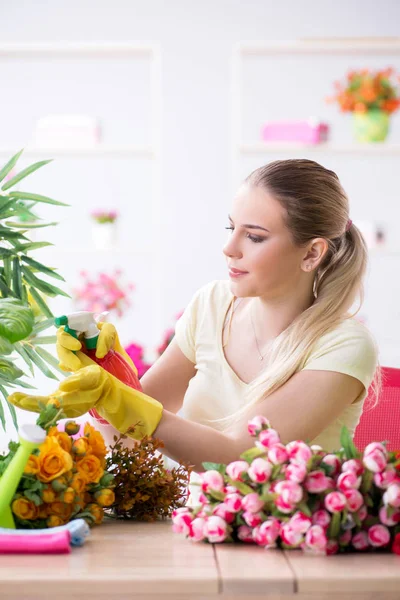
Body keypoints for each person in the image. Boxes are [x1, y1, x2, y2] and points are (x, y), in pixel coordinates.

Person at [9, 159, 379, 474]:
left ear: (312, 253)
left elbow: (241, 458)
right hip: (192, 529)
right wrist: (109, 374)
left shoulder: (343, 344)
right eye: (231, 228)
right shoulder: (212, 306)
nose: (229, 248)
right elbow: (124, 441)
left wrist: (129, 404)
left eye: (254, 236)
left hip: (289, 546)